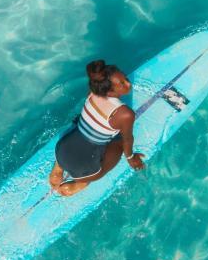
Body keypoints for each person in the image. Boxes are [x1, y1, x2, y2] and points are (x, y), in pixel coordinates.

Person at [49, 59, 145, 197]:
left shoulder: (93, 92)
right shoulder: (125, 114)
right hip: (83, 169)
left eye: (125, 78)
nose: (128, 83)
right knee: (118, 145)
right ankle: (79, 183)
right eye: (122, 83)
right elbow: (127, 140)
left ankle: (58, 169)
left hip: (61, 150)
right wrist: (131, 158)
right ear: (110, 90)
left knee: (79, 125)